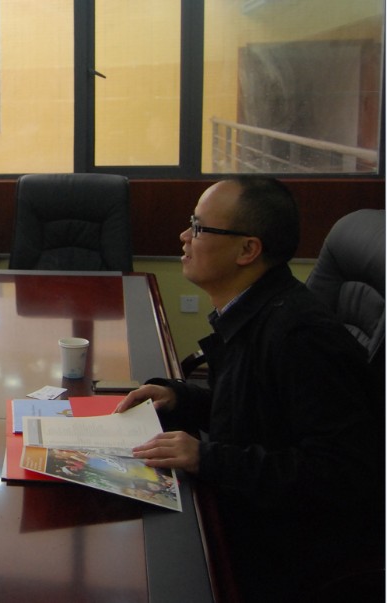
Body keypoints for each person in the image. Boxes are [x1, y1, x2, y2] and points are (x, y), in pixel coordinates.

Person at [115, 177, 383, 601]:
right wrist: (183, 398)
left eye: (198, 227)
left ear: (247, 250)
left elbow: (339, 474)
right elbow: (262, 411)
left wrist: (208, 458)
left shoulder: (301, 338)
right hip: (249, 503)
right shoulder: (254, 312)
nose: (184, 236)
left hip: (283, 546)